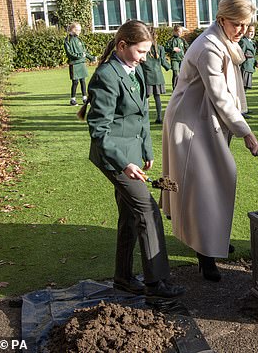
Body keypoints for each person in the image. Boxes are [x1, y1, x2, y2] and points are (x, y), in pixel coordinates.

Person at [78, 20, 184, 300]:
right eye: (141, 51)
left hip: (132, 154)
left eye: (147, 52)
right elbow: (99, 131)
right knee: (148, 211)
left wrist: (146, 151)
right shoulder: (106, 76)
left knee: (128, 217)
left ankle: (123, 278)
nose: (144, 58)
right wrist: (125, 163)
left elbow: (141, 116)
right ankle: (156, 283)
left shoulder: (133, 70)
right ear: (122, 45)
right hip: (114, 158)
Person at [161, 0, 258, 283]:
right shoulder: (209, 47)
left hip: (206, 121)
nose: (242, 30)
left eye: (246, 25)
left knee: (214, 182)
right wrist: (245, 131)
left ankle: (212, 240)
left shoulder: (224, 41)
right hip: (190, 125)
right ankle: (205, 257)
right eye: (237, 24)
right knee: (206, 186)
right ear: (221, 20)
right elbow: (220, 96)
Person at [140, 27, 171, 124]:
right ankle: (159, 117)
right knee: (157, 97)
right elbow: (163, 62)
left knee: (146, 97)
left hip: (147, 76)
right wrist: (169, 67)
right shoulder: (160, 48)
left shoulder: (144, 47)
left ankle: (145, 117)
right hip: (158, 76)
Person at [64, 22, 96, 106]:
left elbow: (84, 51)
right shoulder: (68, 40)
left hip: (81, 63)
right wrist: (79, 56)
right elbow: (69, 53)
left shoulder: (79, 39)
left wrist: (91, 57)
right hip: (74, 64)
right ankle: (72, 99)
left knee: (83, 81)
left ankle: (85, 98)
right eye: (78, 30)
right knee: (75, 82)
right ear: (73, 29)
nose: (79, 31)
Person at [239, 24, 258, 117]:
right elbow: (240, 54)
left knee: (245, 89)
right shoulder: (243, 41)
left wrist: (255, 62)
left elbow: (252, 55)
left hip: (250, 67)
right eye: (250, 31)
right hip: (245, 67)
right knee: (242, 89)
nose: (251, 33)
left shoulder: (251, 42)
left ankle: (244, 108)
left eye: (253, 32)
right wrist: (246, 57)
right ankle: (241, 110)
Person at [165, 25, 188, 90]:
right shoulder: (171, 40)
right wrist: (172, 49)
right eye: (179, 32)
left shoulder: (182, 40)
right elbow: (165, 48)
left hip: (182, 59)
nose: (181, 33)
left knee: (182, 74)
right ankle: (175, 89)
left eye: (181, 32)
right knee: (176, 74)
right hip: (174, 59)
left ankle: (182, 88)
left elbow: (188, 47)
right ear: (175, 31)